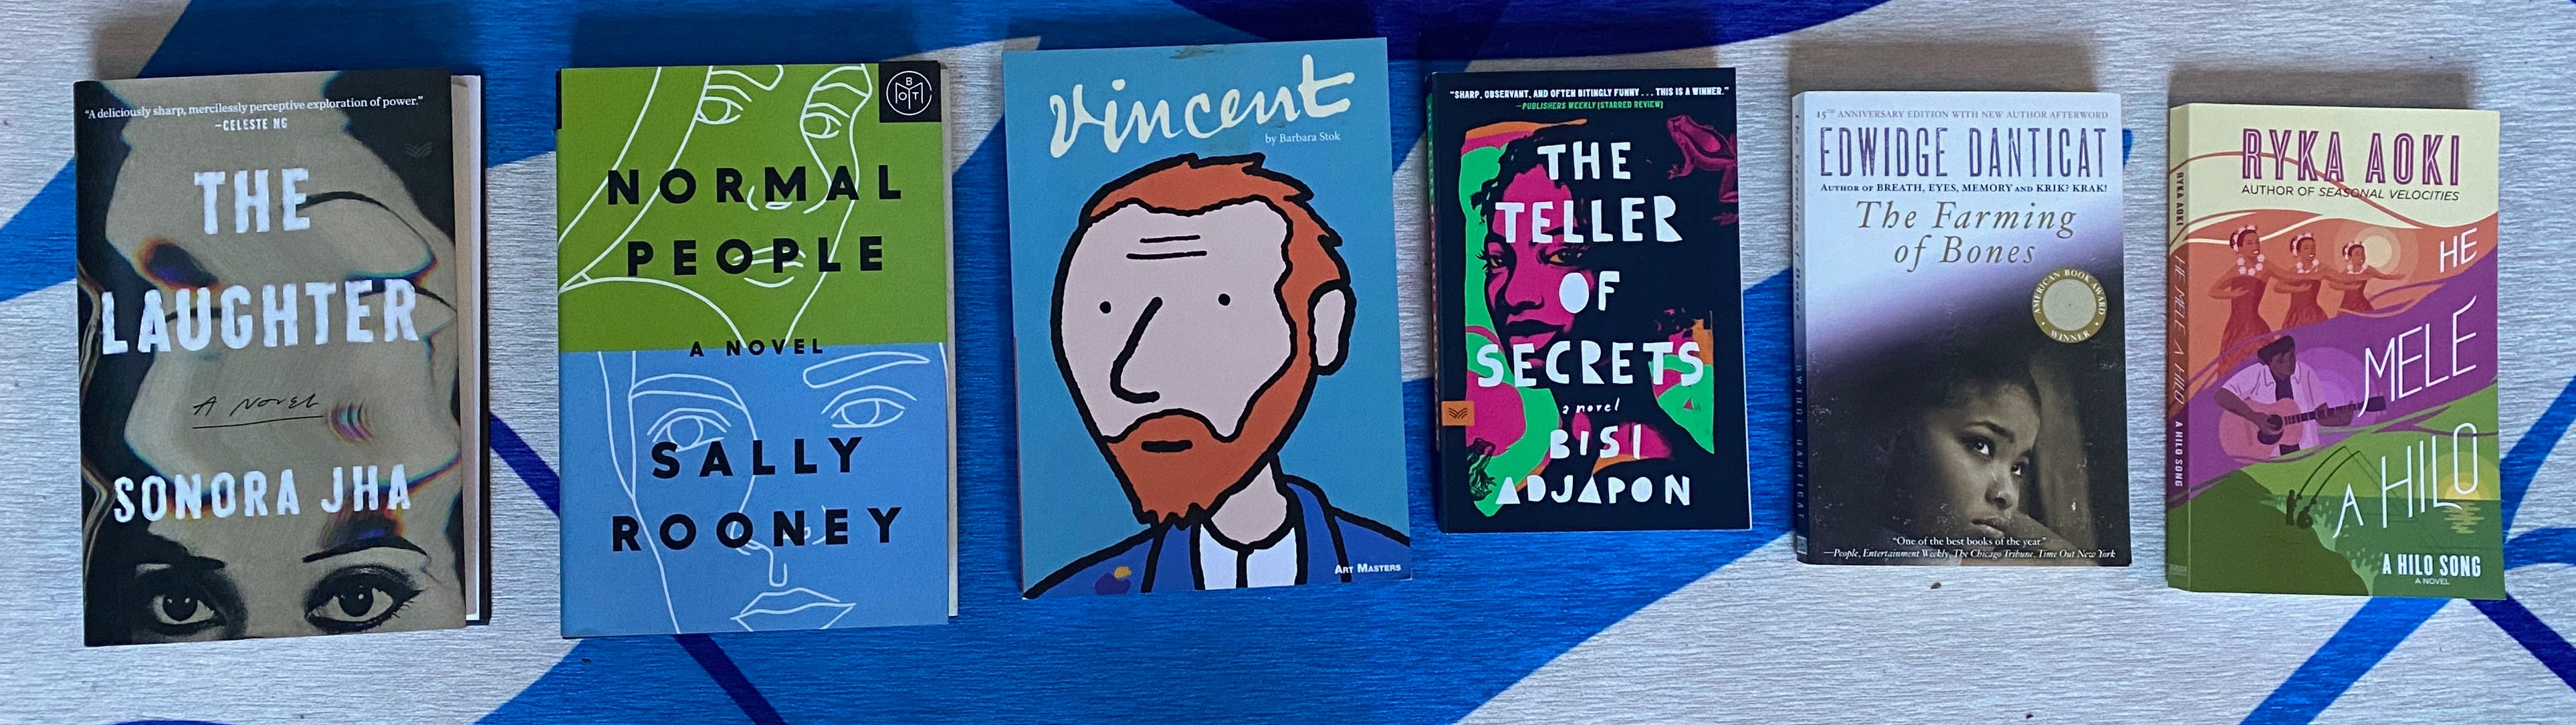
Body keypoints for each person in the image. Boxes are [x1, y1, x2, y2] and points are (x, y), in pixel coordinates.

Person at [1027, 153, 1406, 597]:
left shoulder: (1383, 566)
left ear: (1325, 327)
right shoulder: (1074, 597)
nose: (1132, 377)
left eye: (1215, 311)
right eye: (1105, 313)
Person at [1468, 123, 1721, 502]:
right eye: (1498, 260)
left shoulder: (1651, 472)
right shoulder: (1551, 479)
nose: (1515, 294)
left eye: (1563, 256)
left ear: (1643, 272)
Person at [2214, 336, 2357, 457]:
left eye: (2291, 357)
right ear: (2267, 363)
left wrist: (2341, 421)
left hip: (2307, 454)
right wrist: (2255, 417)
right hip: (2269, 458)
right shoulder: (2256, 374)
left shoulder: (2306, 373)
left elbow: (2321, 416)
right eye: (2281, 361)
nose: (2289, 364)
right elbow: (2222, 396)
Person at [2212, 225, 2274, 357]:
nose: (2255, 246)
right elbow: (2214, 291)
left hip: (2254, 326)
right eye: (2250, 243)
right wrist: (2232, 294)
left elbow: (2288, 276)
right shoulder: (2236, 270)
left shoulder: (2265, 267)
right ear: (2240, 248)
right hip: (2235, 327)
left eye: (2258, 242)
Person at [2325, 240, 2400, 314]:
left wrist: (2397, 277)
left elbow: (2383, 276)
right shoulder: (2347, 270)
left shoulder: (2368, 269)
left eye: (2363, 254)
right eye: (2357, 254)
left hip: (2361, 305)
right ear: (2350, 257)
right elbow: (2333, 283)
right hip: (2346, 305)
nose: (2361, 257)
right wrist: (2348, 287)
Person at [2276, 233, 2329, 329]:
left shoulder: (2321, 268)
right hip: (2295, 315)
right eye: (2306, 248)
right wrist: (2297, 289)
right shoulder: (2294, 270)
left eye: (2313, 248)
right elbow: (2278, 286)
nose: (2311, 251)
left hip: (2314, 314)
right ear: (2299, 252)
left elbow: (2338, 277)